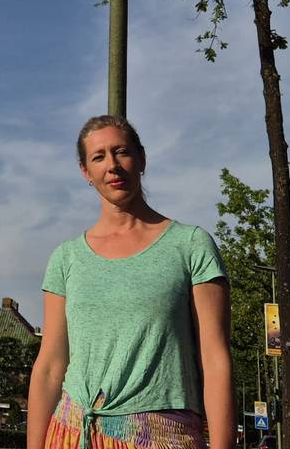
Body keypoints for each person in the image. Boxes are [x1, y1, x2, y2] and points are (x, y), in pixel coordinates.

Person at [28, 116, 234, 449]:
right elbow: (50, 365)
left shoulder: (191, 245)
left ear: (141, 159)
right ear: (85, 172)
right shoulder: (65, 258)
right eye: (98, 157)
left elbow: (214, 358)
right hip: (71, 432)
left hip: (163, 435)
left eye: (120, 152)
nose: (112, 165)